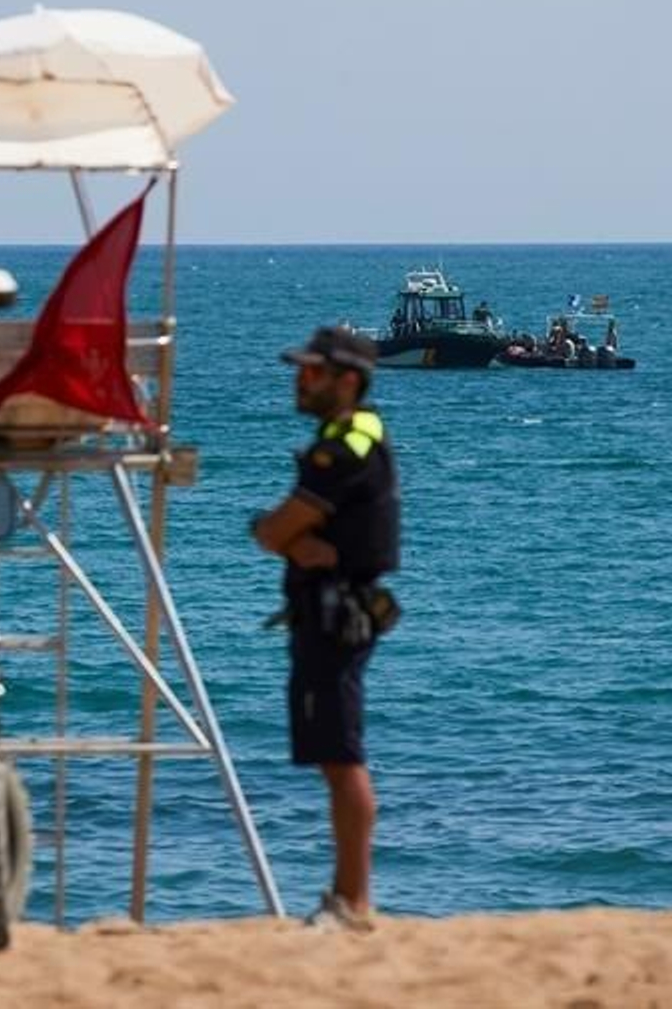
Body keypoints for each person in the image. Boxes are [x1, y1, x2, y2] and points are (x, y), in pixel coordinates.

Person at [251, 326, 400, 933]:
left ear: (347, 381)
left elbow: (275, 530)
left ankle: (353, 902)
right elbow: (284, 533)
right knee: (335, 756)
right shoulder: (351, 438)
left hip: (337, 617)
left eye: (312, 372)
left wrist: (282, 534)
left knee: (342, 758)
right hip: (332, 611)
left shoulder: (342, 451)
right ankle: (349, 897)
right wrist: (288, 536)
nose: (299, 380)